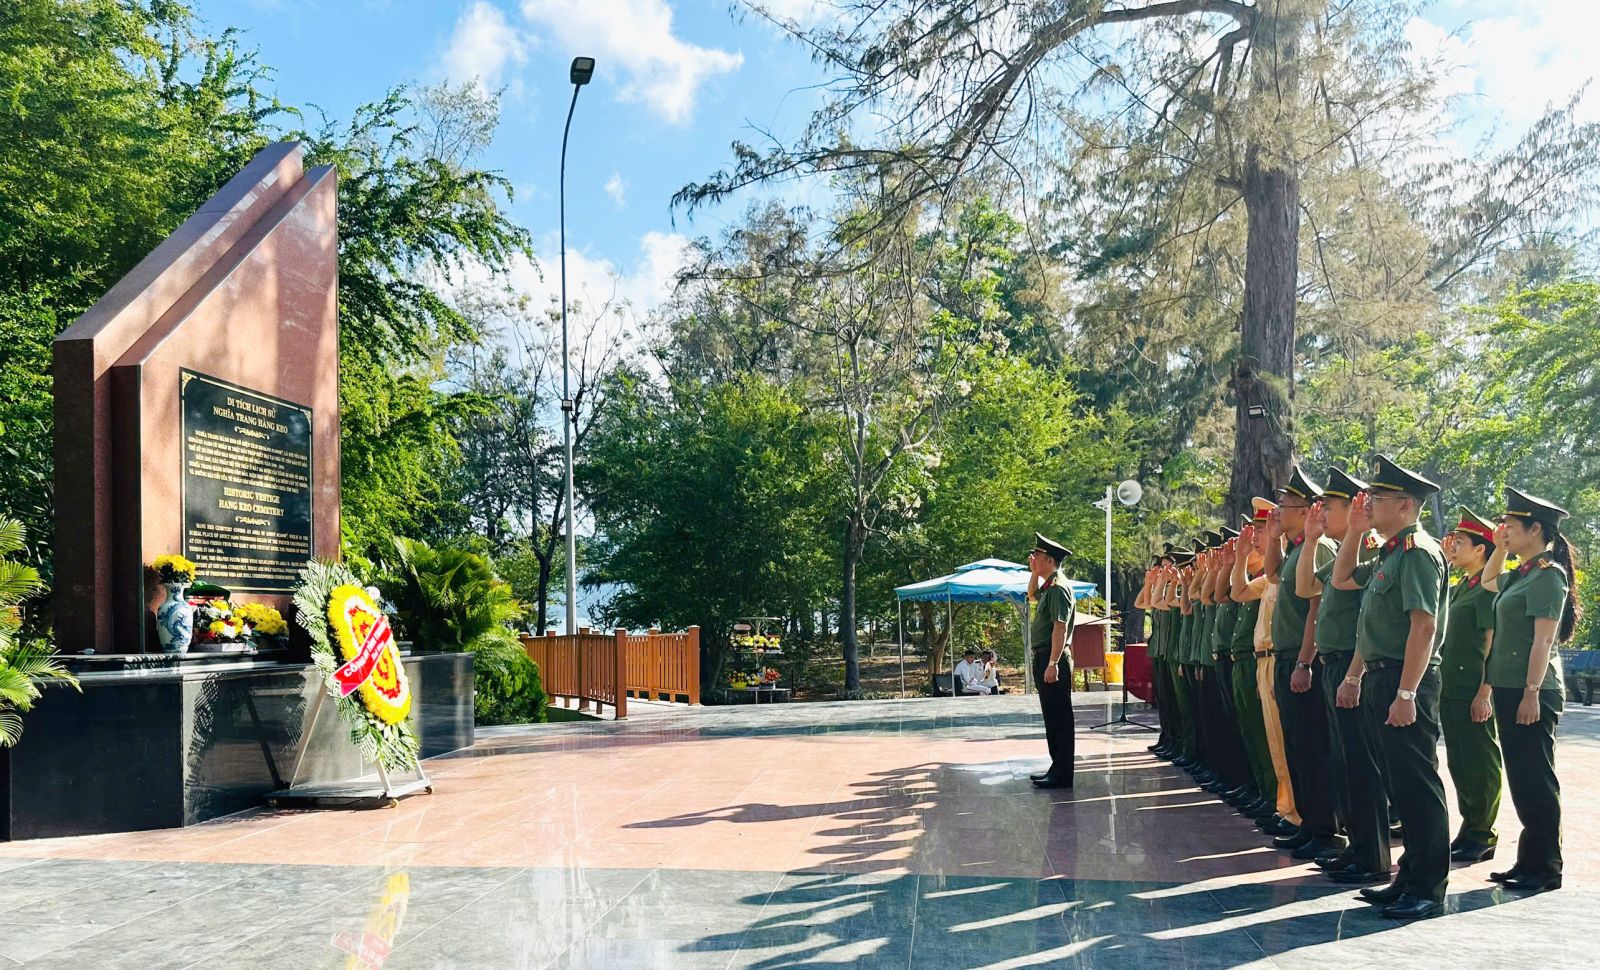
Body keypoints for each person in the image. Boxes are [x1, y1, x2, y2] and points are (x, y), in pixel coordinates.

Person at [1332, 455, 1451, 921]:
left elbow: (1424, 627)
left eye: (1377, 498)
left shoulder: (1418, 552)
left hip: (1406, 678)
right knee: (1398, 785)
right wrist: (1355, 530)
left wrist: (1406, 695)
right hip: (1382, 676)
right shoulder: (1390, 553)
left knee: (1417, 786)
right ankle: (1409, 878)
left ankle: (1427, 888)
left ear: (1405, 505)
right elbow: (1341, 578)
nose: (1368, 503)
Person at [1479, 487, 1580, 893]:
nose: (1503, 529)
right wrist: (1500, 548)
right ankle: (1529, 861)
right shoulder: (1521, 574)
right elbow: (1487, 580)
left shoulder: (1548, 575)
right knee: (1522, 778)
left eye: (1510, 524)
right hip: (1510, 687)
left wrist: (1532, 692)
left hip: (1532, 690)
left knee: (1536, 778)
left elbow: (1544, 639)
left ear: (1535, 529)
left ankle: (1546, 867)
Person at [1302, 467, 1391, 885]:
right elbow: (1307, 587)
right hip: (1334, 664)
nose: (1321, 513)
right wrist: (1313, 538)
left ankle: (1373, 856)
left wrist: (1354, 675)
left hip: (1354, 666)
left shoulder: (1372, 551)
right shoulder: (1344, 551)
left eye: (1329, 507)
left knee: (1361, 765)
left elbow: (1365, 626)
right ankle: (1358, 848)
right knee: (1344, 763)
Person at [1267, 464, 1345, 862]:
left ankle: (1326, 829)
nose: (1278, 511)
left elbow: (1316, 609)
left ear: (1305, 510)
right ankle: (1309, 824)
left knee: (1314, 748)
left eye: (1285, 505)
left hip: (1304, 661)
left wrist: (1304, 662)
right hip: (1287, 658)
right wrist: (1272, 537)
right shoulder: (1297, 548)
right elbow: (1271, 573)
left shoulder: (1322, 548)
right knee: (1298, 747)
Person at [1437, 506, 1502, 864]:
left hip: (1473, 687)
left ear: (1481, 549)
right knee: (1460, 762)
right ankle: (1470, 827)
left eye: (1460, 542)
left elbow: (1492, 643)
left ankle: (1483, 832)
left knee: (1480, 762)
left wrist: (1484, 692)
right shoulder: (1463, 585)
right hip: (1452, 686)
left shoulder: (1486, 590)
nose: (1454, 545)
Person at [1240, 498, 1301, 838]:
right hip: (1264, 661)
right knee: (1274, 743)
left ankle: (1295, 813)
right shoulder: (1272, 575)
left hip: (1282, 658)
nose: (1255, 538)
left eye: (1261, 530)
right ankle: (1285, 808)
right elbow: (1236, 591)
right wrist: (1237, 559)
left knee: (1289, 743)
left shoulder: (1290, 567)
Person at [1027, 534, 1078, 789]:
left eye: (1037, 556)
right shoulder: (1049, 585)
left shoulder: (1058, 588)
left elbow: (1060, 627)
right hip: (1046, 656)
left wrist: (1053, 663)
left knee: (1059, 719)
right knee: (1052, 717)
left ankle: (1062, 773)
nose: (1033, 558)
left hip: (1052, 656)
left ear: (1050, 560)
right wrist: (1034, 573)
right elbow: (1032, 595)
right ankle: (1057, 768)